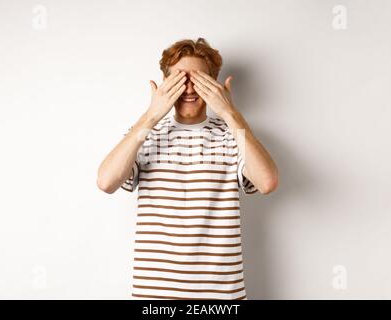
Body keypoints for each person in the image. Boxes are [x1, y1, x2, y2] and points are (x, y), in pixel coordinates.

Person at [97, 38, 279, 300]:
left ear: (214, 85)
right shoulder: (144, 135)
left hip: (222, 299)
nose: (189, 89)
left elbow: (268, 182)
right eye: (180, 79)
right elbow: (106, 182)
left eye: (199, 80)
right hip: (155, 299)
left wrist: (231, 114)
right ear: (165, 84)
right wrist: (150, 116)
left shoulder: (233, 136)